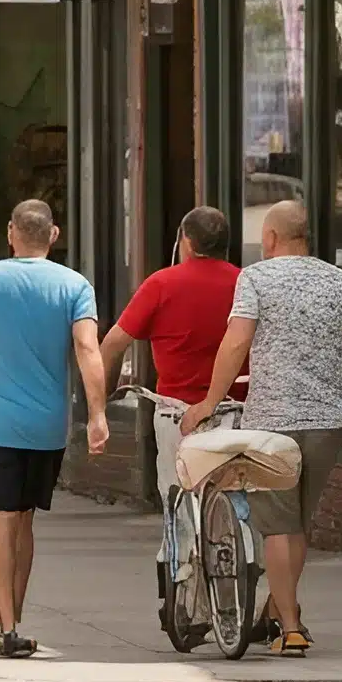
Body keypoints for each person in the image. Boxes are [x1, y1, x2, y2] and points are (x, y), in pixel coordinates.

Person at [182, 199, 342, 657]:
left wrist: (208, 401)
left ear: (270, 238)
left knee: (281, 526)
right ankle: (281, 610)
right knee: (297, 524)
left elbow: (238, 339)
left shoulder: (256, 278)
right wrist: (332, 394)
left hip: (273, 425)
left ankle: (291, 627)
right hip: (328, 423)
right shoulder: (341, 281)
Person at [0, 200, 108, 658]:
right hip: (46, 426)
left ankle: (8, 628)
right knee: (21, 522)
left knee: (0, 522)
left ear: (11, 232)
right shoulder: (75, 286)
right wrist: (97, 414)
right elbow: (89, 350)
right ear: (53, 235)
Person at [98, 206, 243, 488]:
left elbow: (113, 344)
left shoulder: (161, 283)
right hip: (238, 409)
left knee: (179, 498)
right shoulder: (246, 283)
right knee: (235, 491)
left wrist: (103, 398)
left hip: (177, 412)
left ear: (186, 242)